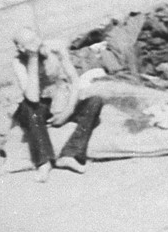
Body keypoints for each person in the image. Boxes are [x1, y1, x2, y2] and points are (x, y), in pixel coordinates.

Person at [12, 30, 103, 180]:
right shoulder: (19, 62)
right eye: (31, 44)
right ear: (22, 49)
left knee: (95, 101)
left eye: (37, 39)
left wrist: (68, 110)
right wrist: (33, 58)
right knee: (26, 108)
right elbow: (33, 98)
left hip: (62, 97)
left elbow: (74, 81)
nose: (38, 44)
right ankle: (44, 161)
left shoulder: (56, 48)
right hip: (40, 104)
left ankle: (70, 153)